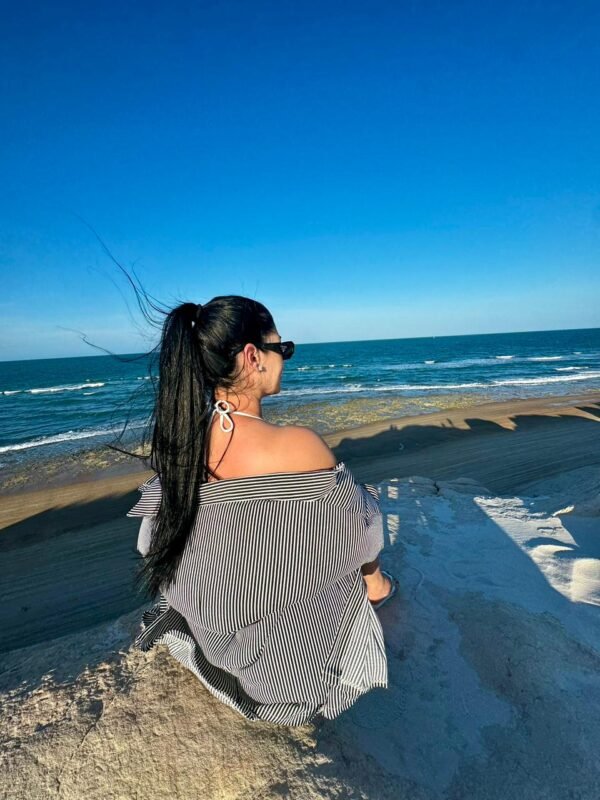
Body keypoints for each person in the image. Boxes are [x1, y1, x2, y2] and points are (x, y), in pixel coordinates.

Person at [127, 295, 399, 726]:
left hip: (209, 643)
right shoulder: (296, 445)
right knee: (357, 513)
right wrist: (374, 579)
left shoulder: (183, 444)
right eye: (282, 348)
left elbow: (150, 540)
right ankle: (379, 589)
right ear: (253, 356)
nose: (285, 359)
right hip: (281, 676)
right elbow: (361, 531)